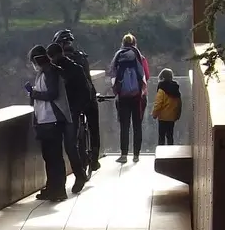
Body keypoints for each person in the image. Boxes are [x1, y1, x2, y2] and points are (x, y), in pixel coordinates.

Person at [24, 45, 72, 201]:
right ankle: (52, 187)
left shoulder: (51, 72)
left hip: (52, 120)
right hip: (45, 120)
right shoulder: (43, 73)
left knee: (54, 157)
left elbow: (52, 94)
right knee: (49, 157)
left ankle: (58, 189)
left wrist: (34, 93)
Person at [52, 29, 102, 172]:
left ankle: (79, 167)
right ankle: (94, 159)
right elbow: (88, 80)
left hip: (72, 103)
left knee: (71, 137)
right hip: (89, 98)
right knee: (94, 128)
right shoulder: (81, 57)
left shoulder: (59, 62)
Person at [46, 42, 89, 192]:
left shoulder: (61, 70)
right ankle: (78, 175)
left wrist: (75, 110)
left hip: (67, 113)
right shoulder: (76, 68)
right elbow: (86, 91)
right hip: (70, 112)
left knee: (69, 146)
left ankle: (78, 175)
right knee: (70, 146)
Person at [109, 34, 147, 163]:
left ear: (123, 43)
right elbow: (146, 74)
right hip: (137, 97)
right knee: (137, 125)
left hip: (123, 97)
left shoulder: (117, 56)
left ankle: (124, 155)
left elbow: (112, 73)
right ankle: (136, 155)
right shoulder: (140, 57)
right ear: (134, 43)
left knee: (124, 126)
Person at [152, 68, 183, 145]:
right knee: (170, 136)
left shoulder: (161, 89)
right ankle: (170, 153)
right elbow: (179, 103)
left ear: (162, 77)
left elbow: (158, 103)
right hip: (172, 116)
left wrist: (154, 114)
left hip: (162, 117)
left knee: (161, 136)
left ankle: (161, 154)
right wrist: (177, 115)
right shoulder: (176, 89)